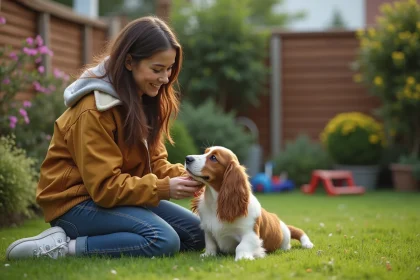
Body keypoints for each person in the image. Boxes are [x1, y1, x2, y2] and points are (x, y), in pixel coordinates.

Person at [6, 16, 205, 260]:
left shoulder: (143, 100)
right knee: (163, 239)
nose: (165, 79)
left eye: (169, 69)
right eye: (157, 69)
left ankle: (109, 239)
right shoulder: (94, 109)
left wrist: (195, 175)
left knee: (198, 233)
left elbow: (155, 164)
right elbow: (104, 188)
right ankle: (63, 248)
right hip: (76, 204)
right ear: (130, 61)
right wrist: (164, 188)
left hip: (117, 199)